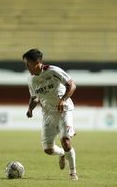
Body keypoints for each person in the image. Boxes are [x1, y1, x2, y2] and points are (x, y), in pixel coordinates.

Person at [23, 48, 78, 180]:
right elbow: (34, 97)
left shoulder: (53, 71)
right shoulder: (31, 80)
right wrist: (30, 109)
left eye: (27, 63)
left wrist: (63, 99)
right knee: (48, 150)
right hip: (48, 114)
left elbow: (72, 85)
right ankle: (61, 154)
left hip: (64, 109)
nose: (26, 66)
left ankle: (73, 173)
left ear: (37, 62)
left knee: (65, 141)